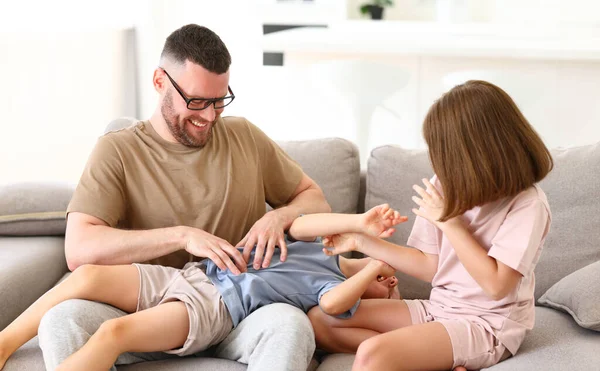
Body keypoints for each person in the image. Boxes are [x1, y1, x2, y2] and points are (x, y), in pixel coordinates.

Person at [33, 24, 333, 371]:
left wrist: (278, 216)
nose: (209, 116)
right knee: (61, 320)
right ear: (160, 81)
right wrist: (182, 235)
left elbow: (315, 200)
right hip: (146, 315)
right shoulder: (117, 150)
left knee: (290, 326)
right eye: (197, 101)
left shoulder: (244, 136)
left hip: (237, 311)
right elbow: (80, 249)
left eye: (219, 101)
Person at [308, 80, 554, 371]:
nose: (439, 165)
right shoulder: (446, 186)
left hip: (486, 324)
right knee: (321, 321)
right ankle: (433, 359)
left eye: (444, 153)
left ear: (478, 153)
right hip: (438, 309)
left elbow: (496, 286)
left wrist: (450, 223)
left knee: (373, 355)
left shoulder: (527, 204)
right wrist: (361, 242)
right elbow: (430, 267)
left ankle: (423, 354)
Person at [0, 204, 405, 371]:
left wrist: (370, 271)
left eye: (389, 291)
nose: (391, 285)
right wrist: (359, 225)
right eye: (393, 283)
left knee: (113, 333)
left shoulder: (331, 286)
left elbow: (335, 306)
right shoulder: (326, 248)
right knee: (87, 274)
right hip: (195, 274)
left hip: (217, 307)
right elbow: (299, 224)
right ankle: (5, 341)